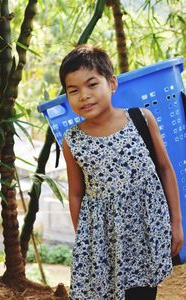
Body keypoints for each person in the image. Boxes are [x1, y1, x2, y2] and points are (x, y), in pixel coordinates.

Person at [59, 44, 184, 300]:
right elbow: (75, 195)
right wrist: (88, 244)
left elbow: (165, 169)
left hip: (146, 236)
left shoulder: (141, 119)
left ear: (112, 83)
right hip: (104, 243)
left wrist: (176, 223)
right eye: (74, 91)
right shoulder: (72, 140)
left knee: (142, 294)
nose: (84, 95)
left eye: (92, 84)